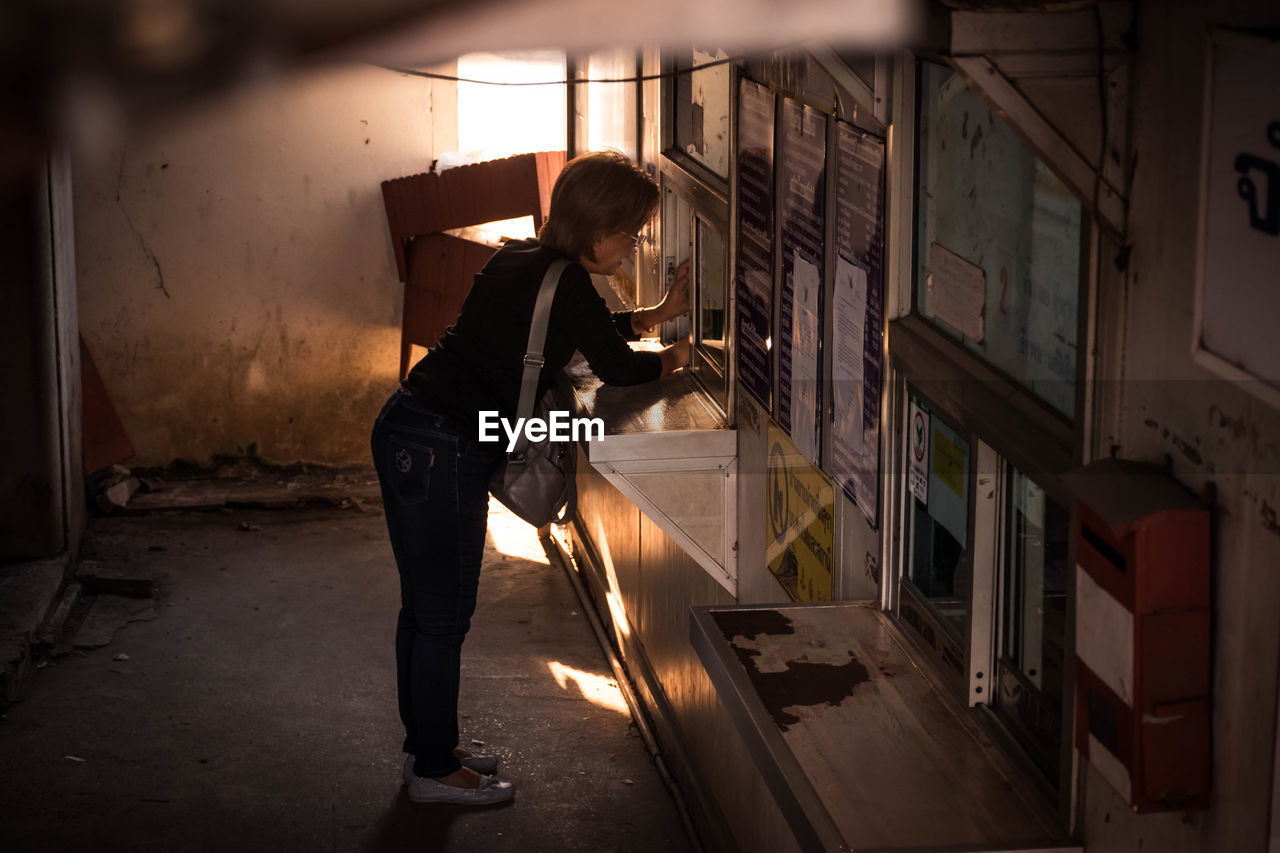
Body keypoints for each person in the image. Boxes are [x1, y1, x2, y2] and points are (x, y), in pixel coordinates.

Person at [370, 151, 691, 806]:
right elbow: (618, 366)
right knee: (442, 613)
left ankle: (429, 745)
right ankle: (432, 770)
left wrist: (654, 315)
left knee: (425, 607)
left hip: (409, 425)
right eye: (629, 234)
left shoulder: (519, 256)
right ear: (597, 228)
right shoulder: (568, 281)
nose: (630, 249)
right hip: (443, 445)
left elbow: (581, 332)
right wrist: (678, 360)